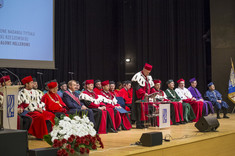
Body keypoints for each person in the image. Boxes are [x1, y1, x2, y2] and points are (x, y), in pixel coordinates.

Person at [131, 63, 157, 129]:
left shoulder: (148, 77)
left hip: (146, 98)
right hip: (139, 98)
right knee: (139, 111)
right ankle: (139, 124)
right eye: (147, 72)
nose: (148, 73)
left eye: (149, 72)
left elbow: (151, 87)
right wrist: (143, 93)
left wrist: (154, 92)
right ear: (144, 69)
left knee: (145, 111)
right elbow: (137, 87)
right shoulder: (137, 76)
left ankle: (143, 123)